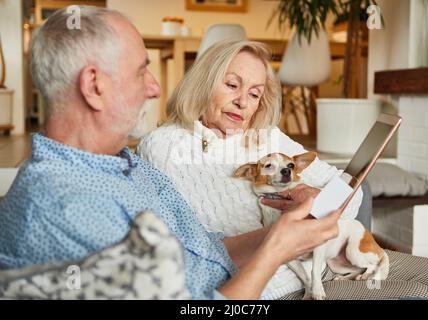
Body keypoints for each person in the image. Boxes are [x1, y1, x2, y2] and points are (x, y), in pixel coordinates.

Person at [0, 6, 340, 300]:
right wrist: (276, 250)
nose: (155, 87)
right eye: (140, 72)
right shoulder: (68, 207)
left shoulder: (124, 163)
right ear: (94, 87)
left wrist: (281, 233)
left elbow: (202, 247)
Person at [137, 40, 428, 300]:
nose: (243, 102)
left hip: (326, 259)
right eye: (232, 85)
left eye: (255, 94)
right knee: (423, 296)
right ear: (204, 82)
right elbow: (194, 252)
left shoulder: (264, 136)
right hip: (278, 286)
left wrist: (318, 200)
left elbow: (347, 192)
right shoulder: (165, 147)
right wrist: (288, 236)